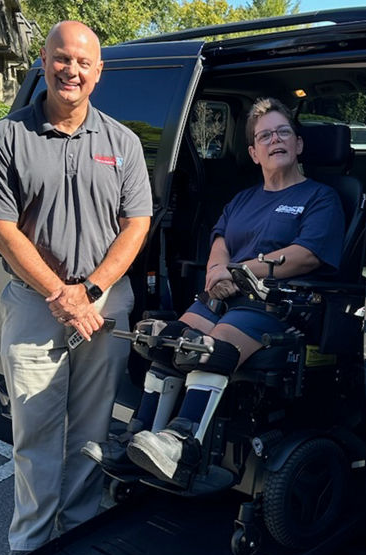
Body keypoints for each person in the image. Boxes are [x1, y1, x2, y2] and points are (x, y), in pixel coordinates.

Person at [0, 20, 152, 555]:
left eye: (83, 62)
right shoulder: (9, 136)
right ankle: (29, 549)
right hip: (35, 302)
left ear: (99, 73)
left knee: (92, 428)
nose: (71, 70)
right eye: (61, 58)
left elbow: (137, 222)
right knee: (34, 433)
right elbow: (1, 228)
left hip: (103, 302)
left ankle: (76, 533)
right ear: (45, 62)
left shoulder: (122, 142)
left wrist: (92, 289)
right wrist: (60, 292)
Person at [120, 97, 344, 486]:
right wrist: (215, 271)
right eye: (265, 136)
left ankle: (182, 443)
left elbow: (306, 255)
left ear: (299, 144)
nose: (276, 140)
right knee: (173, 341)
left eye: (284, 132)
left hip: (276, 303)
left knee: (212, 348)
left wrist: (238, 271)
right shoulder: (243, 198)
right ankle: (135, 441)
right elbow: (220, 238)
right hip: (224, 295)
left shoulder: (320, 197)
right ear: (255, 153)